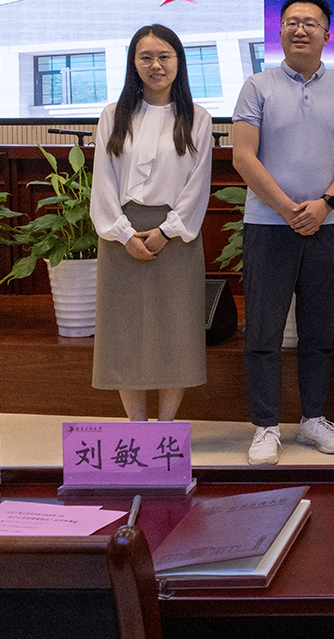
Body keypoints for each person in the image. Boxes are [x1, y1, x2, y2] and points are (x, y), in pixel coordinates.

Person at [232, 0, 334, 464]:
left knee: (318, 330)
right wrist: (289, 208)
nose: (300, 29)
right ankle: (266, 426)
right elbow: (243, 155)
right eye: (291, 22)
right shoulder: (257, 86)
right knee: (263, 332)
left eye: (310, 23)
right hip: (268, 225)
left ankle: (313, 419)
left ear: (327, 35)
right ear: (280, 33)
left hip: (328, 225)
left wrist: (325, 204)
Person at [89, 24, 213, 422]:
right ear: (133, 63)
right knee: (124, 335)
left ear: (178, 61)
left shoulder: (197, 118)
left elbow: (198, 185)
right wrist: (124, 234)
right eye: (146, 57)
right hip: (121, 236)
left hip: (176, 238)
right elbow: (103, 182)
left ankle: (166, 428)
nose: (156, 65)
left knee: (175, 333)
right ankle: (137, 428)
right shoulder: (113, 116)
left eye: (164, 56)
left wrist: (166, 231)